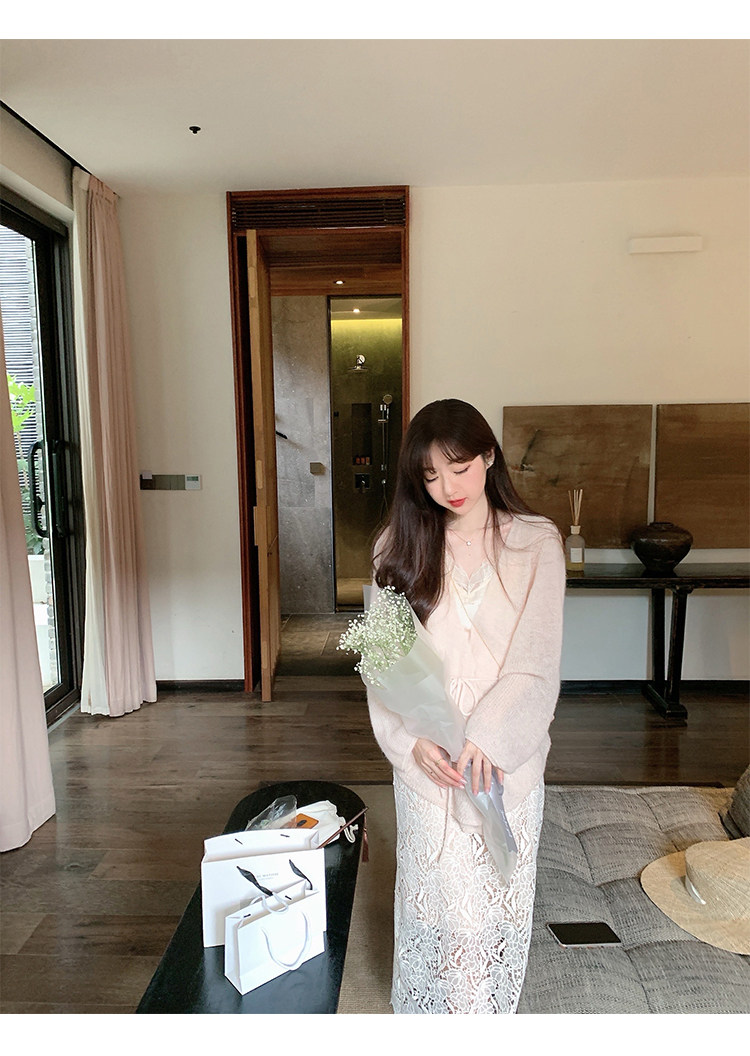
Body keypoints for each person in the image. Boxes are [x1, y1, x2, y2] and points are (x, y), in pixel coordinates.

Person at [367, 398, 565, 1015]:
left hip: (506, 757)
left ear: (489, 456)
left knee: (493, 906)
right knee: (439, 904)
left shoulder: (536, 543)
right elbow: (384, 663)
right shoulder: (396, 546)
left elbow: (536, 662)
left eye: (458, 468)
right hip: (431, 761)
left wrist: (488, 738)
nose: (447, 488)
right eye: (430, 475)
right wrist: (410, 742)